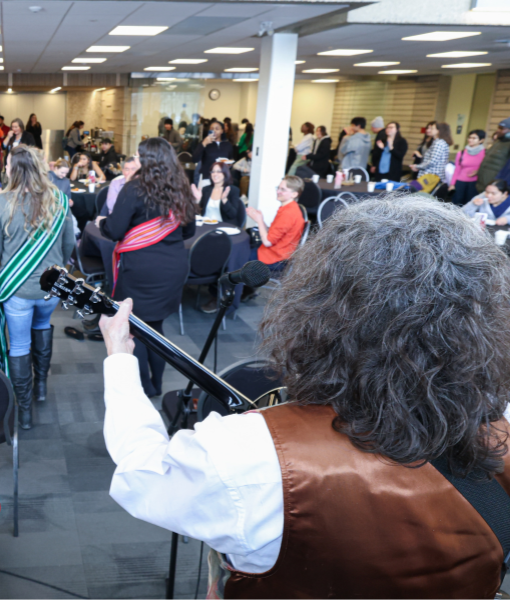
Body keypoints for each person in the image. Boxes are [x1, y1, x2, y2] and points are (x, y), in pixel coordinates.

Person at [100, 195, 510, 599]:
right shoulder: (502, 434)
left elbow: (144, 476)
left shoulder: (251, 456)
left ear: (321, 308)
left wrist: (119, 359)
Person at [0, 147, 76, 429]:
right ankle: (41, 387)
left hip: (18, 290)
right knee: (43, 326)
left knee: (20, 344)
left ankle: (24, 411)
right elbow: (69, 244)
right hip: (51, 289)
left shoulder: (1, 202)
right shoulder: (60, 199)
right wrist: (60, 269)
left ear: (12, 170)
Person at [96, 137, 195, 398]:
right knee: (156, 327)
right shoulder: (181, 187)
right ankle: (157, 384)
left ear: (148, 160)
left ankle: (143, 386)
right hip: (173, 267)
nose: (136, 161)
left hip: (141, 269)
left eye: (139, 157)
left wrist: (102, 223)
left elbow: (115, 230)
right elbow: (190, 231)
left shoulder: (134, 188)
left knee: (133, 327)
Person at [245, 176, 305, 272]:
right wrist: (260, 220)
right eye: (278, 188)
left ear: (294, 194)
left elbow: (267, 242)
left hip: (276, 259)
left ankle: (240, 285)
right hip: (280, 254)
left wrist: (259, 220)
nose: (278, 191)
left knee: (239, 256)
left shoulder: (288, 214)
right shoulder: (290, 208)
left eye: (283, 189)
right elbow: (272, 233)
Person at [193, 162, 244, 228]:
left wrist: (224, 200)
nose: (215, 174)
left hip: (224, 227)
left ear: (225, 173)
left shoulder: (233, 190)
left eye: (218, 171)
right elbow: (196, 213)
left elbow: (232, 215)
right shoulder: (205, 189)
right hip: (205, 226)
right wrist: (197, 201)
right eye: (213, 172)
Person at [449, 129, 488, 205]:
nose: (470, 140)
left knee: (471, 204)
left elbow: (486, 168)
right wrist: (452, 184)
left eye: (474, 138)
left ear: (481, 140)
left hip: (475, 183)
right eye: (469, 137)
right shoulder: (462, 152)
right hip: (460, 182)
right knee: (456, 204)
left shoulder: (485, 153)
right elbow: (457, 169)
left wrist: (478, 171)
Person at [410, 122, 452, 191]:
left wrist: (417, 166)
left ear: (438, 131)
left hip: (431, 176)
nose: (430, 130)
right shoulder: (436, 142)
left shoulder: (439, 143)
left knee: (414, 192)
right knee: (412, 189)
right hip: (428, 175)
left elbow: (432, 161)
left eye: (432, 128)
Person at [477, 118, 510, 194]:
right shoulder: (497, 142)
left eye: (502, 128)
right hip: (482, 183)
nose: (498, 130)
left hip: (495, 188)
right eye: (498, 127)